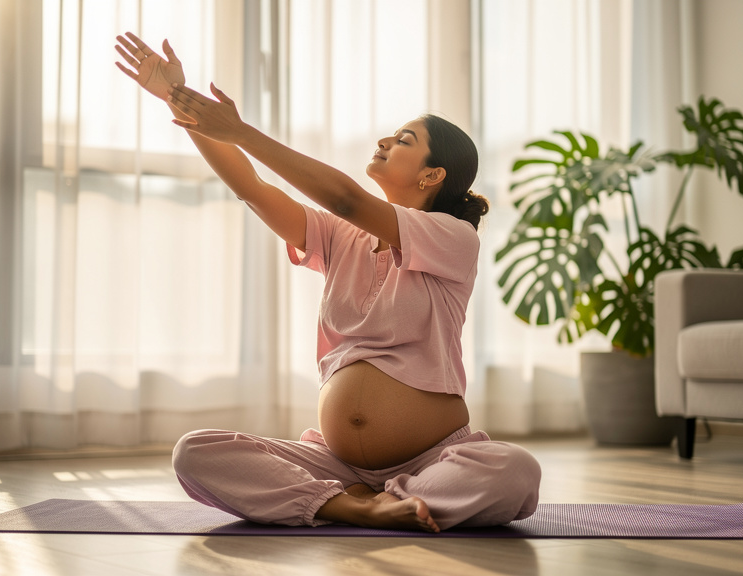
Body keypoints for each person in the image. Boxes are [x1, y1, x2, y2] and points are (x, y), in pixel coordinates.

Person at [115, 32, 541, 533]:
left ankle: (389, 498)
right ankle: (355, 504)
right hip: (335, 464)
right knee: (195, 452)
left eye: (404, 140)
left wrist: (243, 132)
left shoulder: (452, 237)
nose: (385, 141)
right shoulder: (340, 237)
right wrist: (177, 100)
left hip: (433, 460)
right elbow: (250, 187)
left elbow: (346, 199)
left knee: (516, 472)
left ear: (432, 176)